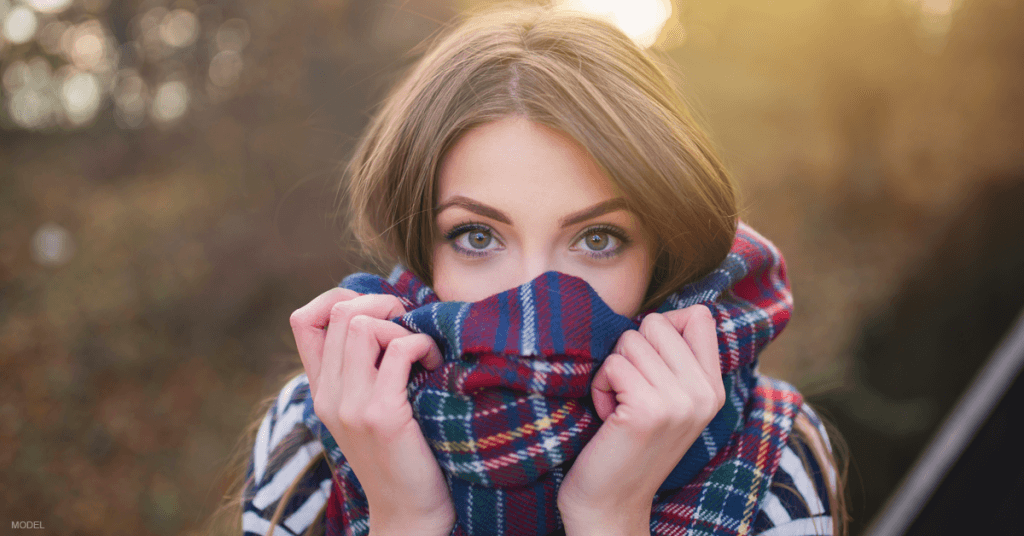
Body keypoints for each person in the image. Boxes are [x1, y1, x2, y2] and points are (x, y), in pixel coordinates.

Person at [210, 4, 847, 536]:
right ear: (422, 248)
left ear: (663, 248)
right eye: (477, 236)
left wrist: (608, 515)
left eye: (598, 238)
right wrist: (405, 515)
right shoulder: (323, 429)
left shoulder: (771, 450)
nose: (533, 299)